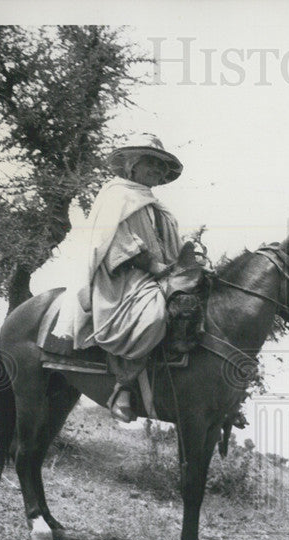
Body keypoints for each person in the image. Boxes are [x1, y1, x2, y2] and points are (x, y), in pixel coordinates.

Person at [59, 133, 201, 422]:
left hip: (159, 275)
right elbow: (113, 240)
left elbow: (168, 248)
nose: (158, 171)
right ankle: (123, 387)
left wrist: (184, 258)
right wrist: (151, 265)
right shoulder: (117, 195)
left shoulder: (157, 207)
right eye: (152, 163)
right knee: (154, 315)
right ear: (132, 165)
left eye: (162, 167)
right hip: (125, 277)